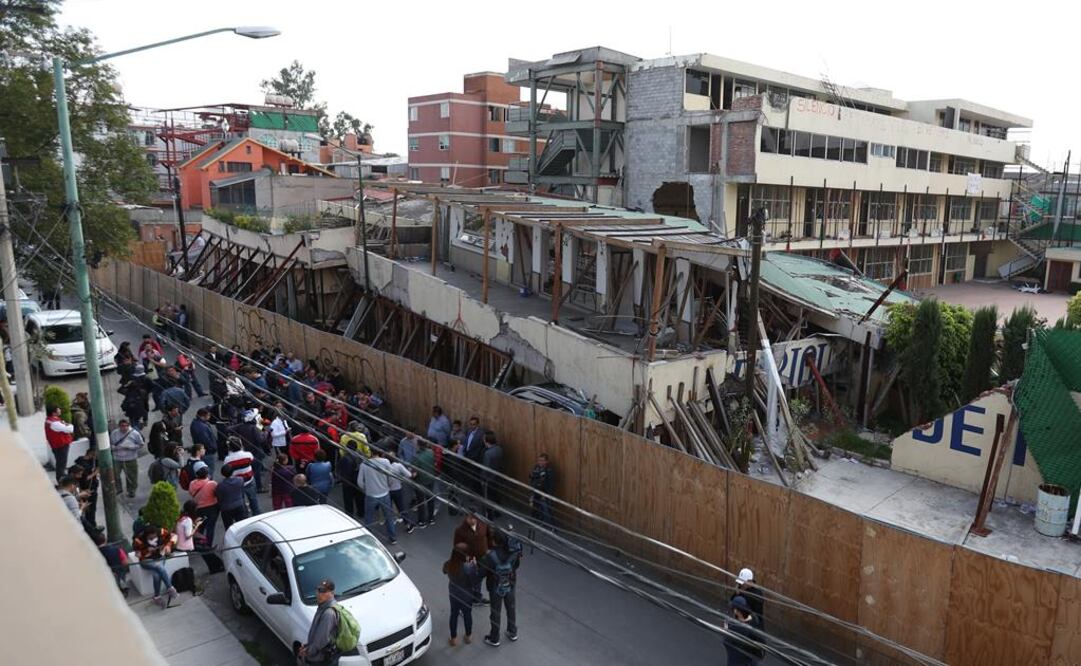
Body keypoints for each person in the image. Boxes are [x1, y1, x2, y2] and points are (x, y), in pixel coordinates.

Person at [481, 529, 521, 646]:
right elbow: (517, 565)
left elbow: (482, 572)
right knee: (511, 608)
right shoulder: (513, 551)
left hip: (495, 587)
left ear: (494, 541)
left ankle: (495, 638)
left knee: (495, 612)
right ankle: (512, 632)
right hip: (510, 584)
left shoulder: (490, 555)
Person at [132, 525, 180, 608]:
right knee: (159, 567)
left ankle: (157, 597)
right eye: (150, 538)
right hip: (146, 560)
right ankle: (170, 588)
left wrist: (168, 545)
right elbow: (137, 554)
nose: (153, 538)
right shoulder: (138, 540)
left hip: (160, 557)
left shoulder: (161, 531)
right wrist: (147, 551)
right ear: (146, 536)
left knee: (156, 575)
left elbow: (174, 536)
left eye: (154, 537)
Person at [357, 449, 398, 545]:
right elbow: (392, 477)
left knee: (369, 518)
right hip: (385, 494)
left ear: (371, 453)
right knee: (389, 516)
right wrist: (388, 486)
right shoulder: (386, 462)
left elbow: (359, 482)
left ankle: (369, 539)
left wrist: (367, 489)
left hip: (371, 495)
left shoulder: (364, 464)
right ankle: (392, 537)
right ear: (381, 453)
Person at [297, 580, 340, 665]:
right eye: (318, 590)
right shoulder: (322, 607)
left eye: (323, 591)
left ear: (332, 593)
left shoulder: (328, 613)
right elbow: (317, 634)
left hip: (320, 660)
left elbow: (321, 641)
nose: (318, 594)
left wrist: (308, 652)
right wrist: (307, 646)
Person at [444, 542, 479, 646]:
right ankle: (468, 636)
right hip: (466, 595)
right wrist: (474, 566)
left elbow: (444, 571)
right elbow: (475, 581)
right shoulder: (468, 567)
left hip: (453, 593)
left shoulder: (449, 564)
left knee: (453, 614)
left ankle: (453, 638)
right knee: (467, 615)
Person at [454, 512, 490, 605]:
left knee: (477, 579)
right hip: (469, 560)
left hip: (479, 559)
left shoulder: (481, 527)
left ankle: (476, 598)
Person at [223, 436, 259, 516]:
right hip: (249, 479)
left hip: (237, 482)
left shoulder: (227, 459)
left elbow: (227, 469)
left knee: (241, 500)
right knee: (253, 498)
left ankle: (245, 515)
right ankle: (256, 513)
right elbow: (252, 461)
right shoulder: (248, 454)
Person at [724, 596, 764, 666]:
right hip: (751, 660)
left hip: (738, 661)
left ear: (736, 611)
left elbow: (727, 642)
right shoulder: (754, 619)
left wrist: (726, 629)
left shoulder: (736, 628)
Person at [110, 419, 144, 498]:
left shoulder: (134, 433)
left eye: (126, 426)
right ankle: (118, 488)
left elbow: (141, 444)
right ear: (119, 426)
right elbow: (110, 444)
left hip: (130, 458)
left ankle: (131, 490)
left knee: (131, 476)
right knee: (116, 475)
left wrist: (131, 447)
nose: (124, 428)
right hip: (117, 458)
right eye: (122, 426)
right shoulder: (114, 433)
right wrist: (115, 448)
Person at [188, 463, 220, 546]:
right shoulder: (212, 484)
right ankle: (208, 545)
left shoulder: (192, 484)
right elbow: (217, 494)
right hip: (212, 508)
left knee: (200, 527)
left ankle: (199, 543)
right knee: (210, 528)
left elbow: (191, 493)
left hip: (199, 509)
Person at [386, 450, 416, 535]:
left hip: (387, 490)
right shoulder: (398, 466)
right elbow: (409, 475)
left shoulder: (384, 466)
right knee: (401, 508)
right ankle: (408, 525)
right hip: (397, 489)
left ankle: (391, 526)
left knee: (388, 508)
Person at [45, 406, 74, 483]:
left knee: (60, 463)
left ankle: (61, 478)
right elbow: (69, 429)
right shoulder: (55, 423)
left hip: (57, 445)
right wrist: (70, 425)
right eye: (58, 409)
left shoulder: (50, 420)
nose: (60, 410)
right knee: (61, 464)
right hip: (61, 445)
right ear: (54, 412)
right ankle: (61, 480)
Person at [337, 436, 364, 518]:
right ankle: (361, 512)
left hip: (348, 482)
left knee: (348, 500)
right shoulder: (360, 456)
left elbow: (341, 469)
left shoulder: (345, 458)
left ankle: (349, 515)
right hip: (358, 480)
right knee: (359, 498)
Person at [119, 364, 152, 429]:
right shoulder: (147, 379)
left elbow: (120, 390)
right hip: (142, 401)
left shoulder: (129, 391)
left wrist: (126, 385)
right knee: (145, 408)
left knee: (133, 421)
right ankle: (145, 420)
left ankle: (137, 427)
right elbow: (151, 387)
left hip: (131, 409)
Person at [413, 439, 436, 528]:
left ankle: (422, 521)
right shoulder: (431, 452)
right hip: (430, 479)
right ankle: (431, 518)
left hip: (420, 481)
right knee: (430, 498)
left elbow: (414, 473)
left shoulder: (417, 457)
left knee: (421, 501)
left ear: (418, 445)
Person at [481, 431, 504, 519]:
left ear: (487, 442)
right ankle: (498, 511)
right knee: (496, 494)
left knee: (488, 497)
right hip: (497, 476)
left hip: (489, 479)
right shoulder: (499, 449)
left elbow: (485, 468)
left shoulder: (488, 453)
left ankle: (489, 515)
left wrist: (483, 479)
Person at [528, 453, 555, 528]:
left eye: (543, 460)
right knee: (536, 507)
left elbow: (549, 483)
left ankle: (550, 526)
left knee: (547, 510)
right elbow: (531, 476)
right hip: (535, 490)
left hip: (544, 493)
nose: (541, 462)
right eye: (539, 460)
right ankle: (539, 521)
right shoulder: (536, 467)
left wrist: (546, 494)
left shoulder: (549, 470)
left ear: (547, 461)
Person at [190, 408, 219, 476]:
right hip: (207, 452)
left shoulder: (197, 423)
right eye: (208, 415)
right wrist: (213, 448)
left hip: (203, 450)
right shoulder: (201, 427)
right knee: (209, 471)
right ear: (203, 416)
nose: (209, 417)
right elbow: (206, 441)